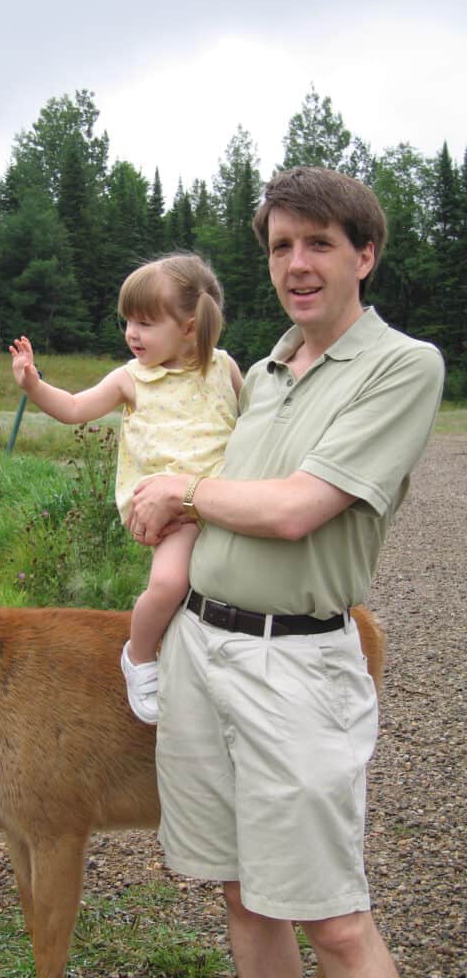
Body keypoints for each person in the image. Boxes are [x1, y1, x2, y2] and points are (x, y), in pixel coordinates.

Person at [127, 167, 445, 977]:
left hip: (296, 663)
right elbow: (232, 497)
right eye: (281, 246)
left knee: (334, 921)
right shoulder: (260, 377)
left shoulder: (401, 367)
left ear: (364, 255)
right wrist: (167, 510)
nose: (297, 264)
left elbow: (301, 506)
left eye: (320, 244)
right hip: (200, 647)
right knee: (242, 894)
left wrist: (186, 489)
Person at [10, 253, 242, 724]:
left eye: (145, 323)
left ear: (189, 327)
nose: (131, 334)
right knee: (169, 582)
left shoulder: (223, 369)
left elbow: (254, 421)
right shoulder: (131, 379)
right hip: (172, 514)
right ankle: (139, 656)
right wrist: (34, 385)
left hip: (225, 502)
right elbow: (75, 408)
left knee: (228, 590)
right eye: (128, 322)